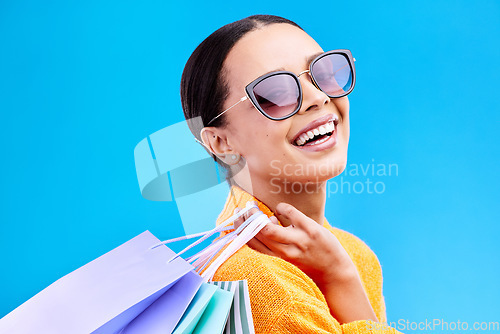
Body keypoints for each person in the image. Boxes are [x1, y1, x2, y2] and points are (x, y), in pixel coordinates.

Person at [181, 14, 402, 334]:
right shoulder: (263, 287)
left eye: (324, 73)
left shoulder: (352, 254)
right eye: (274, 93)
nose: (318, 97)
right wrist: (340, 277)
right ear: (221, 141)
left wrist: (340, 270)